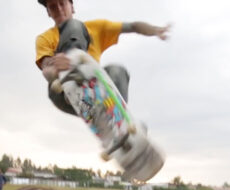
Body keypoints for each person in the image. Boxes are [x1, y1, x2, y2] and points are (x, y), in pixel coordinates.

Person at [35, 0, 170, 116]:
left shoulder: (96, 27)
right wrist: (56, 67)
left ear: (72, 6)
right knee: (73, 26)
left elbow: (133, 26)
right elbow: (45, 64)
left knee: (117, 71)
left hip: (95, 94)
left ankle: (119, 121)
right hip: (63, 94)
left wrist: (155, 30)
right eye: (53, 6)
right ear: (48, 12)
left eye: (62, 3)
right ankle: (73, 83)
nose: (59, 9)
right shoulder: (45, 38)